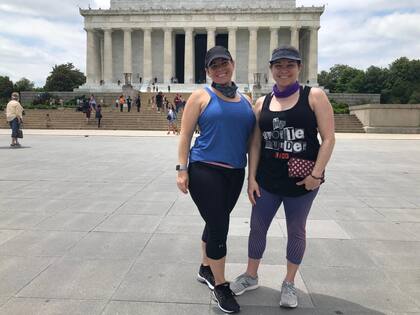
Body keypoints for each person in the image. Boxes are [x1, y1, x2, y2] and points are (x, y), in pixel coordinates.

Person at [229, 45, 335, 309]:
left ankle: (289, 282)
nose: (284, 70)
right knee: (257, 227)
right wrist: (251, 178)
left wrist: (316, 175)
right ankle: (251, 275)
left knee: (296, 230)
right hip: (268, 178)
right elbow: (255, 143)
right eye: (278, 66)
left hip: (302, 180)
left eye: (289, 65)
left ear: (299, 67)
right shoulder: (262, 103)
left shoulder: (314, 96)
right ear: (271, 69)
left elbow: (329, 138)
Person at [176, 46, 256, 314]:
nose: (220, 69)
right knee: (220, 224)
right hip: (204, 169)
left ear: (233, 64)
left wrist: (252, 176)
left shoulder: (246, 99)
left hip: (234, 172)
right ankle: (221, 285)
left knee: (214, 220)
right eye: (214, 66)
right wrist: (181, 169)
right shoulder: (200, 96)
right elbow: (185, 135)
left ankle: (205, 268)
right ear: (207, 71)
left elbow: (251, 141)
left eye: (225, 63)